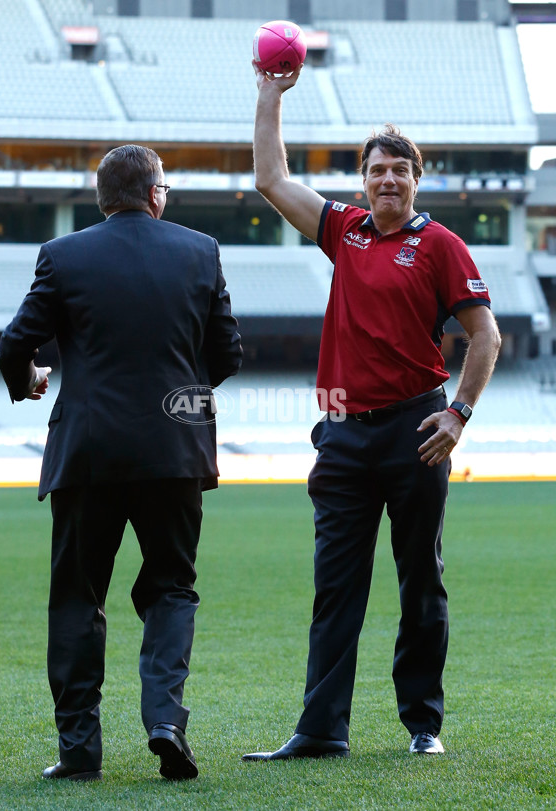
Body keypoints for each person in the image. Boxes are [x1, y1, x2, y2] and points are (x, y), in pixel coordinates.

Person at [242, 64, 501, 761]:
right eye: (377, 169)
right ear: (362, 179)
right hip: (345, 438)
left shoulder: (441, 245)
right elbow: (272, 179)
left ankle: (423, 722)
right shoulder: (344, 231)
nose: (388, 180)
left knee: (421, 578)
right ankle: (322, 729)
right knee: (335, 587)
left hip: (418, 430)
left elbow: (486, 336)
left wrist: (459, 414)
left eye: (400, 171)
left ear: (417, 179)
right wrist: (271, 97)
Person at [0, 144, 242, 782]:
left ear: (101, 197)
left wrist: (28, 379)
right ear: (157, 192)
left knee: (78, 597)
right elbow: (228, 355)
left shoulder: (65, 254)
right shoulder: (201, 251)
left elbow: (14, 344)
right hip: (175, 449)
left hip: (89, 450)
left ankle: (80, 751)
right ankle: (165, 719)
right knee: (171, 588)